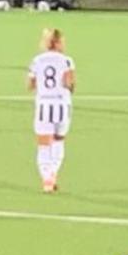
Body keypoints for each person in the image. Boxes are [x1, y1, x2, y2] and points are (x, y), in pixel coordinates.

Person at [28, 28, 76, 193]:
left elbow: (30, 85)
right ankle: (53, 172)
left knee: (43, 145)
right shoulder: (67, 61)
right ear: (57, 43)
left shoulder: (37, 61)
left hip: (44, 106)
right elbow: (70, 83)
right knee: (58, 141)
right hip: (62, 106)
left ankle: (46, 178)